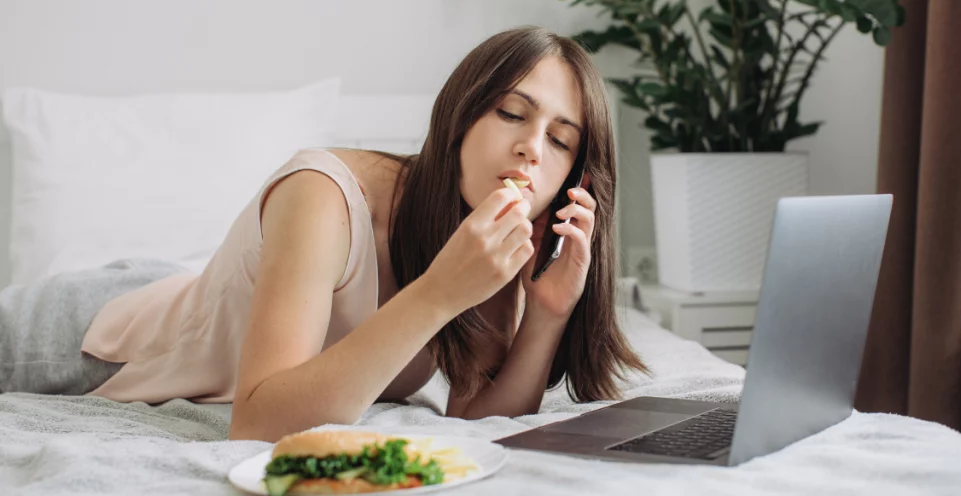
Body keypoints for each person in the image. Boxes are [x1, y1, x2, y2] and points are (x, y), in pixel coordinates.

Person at [71, 26, 649, 442]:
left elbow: (476, 419)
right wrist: (438, 293)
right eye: (512, 113)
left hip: (203, 290)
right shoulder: (322, 195)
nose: (531, 147)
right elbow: (257, 424)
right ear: (460, 114)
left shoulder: (487, 238)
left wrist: (547, 314)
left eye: (561, 140)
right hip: (99, 337)